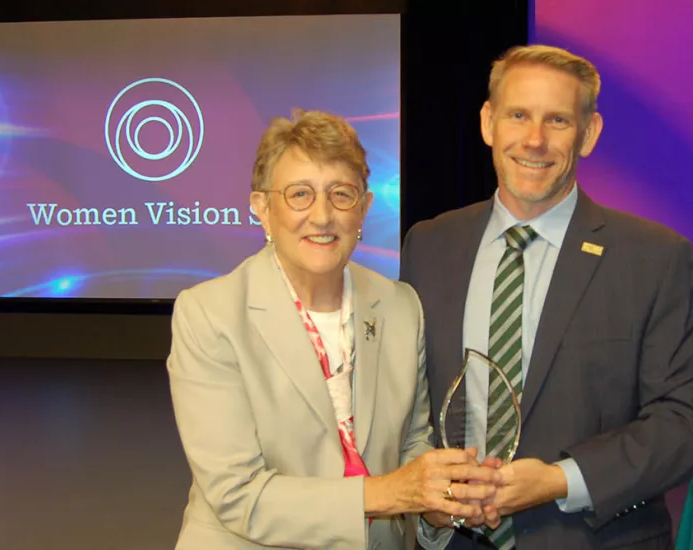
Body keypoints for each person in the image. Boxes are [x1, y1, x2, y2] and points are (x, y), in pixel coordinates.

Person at [400, 45, 693, 549]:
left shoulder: (656, 259)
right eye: (518, 115)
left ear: (588, 133)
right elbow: (407, 404)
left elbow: (687, 424)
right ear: (489, 123)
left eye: (557, 120)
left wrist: (559, 479)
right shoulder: (428, 244)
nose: (534, 140)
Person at [166, 109, 501, 550]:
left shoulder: (401, 306)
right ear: (262, 209)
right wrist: (390, 492)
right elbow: (237, 495)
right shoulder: (209, 314)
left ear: (363, 208)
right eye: (299, 194)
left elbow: (412, 443)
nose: (322, 216)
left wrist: (440, 500)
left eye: (341, 194)